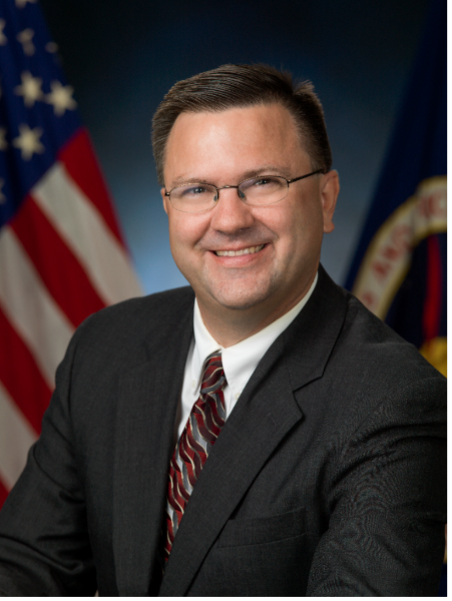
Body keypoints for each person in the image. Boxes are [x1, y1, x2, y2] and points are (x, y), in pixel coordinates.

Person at [0, 64, 447, 597]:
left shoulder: (393, 400)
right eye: (197, 189)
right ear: (168, 206)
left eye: (264, 182)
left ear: (326, 199)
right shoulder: (106, 348)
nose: (230, 220)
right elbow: (27, 567)